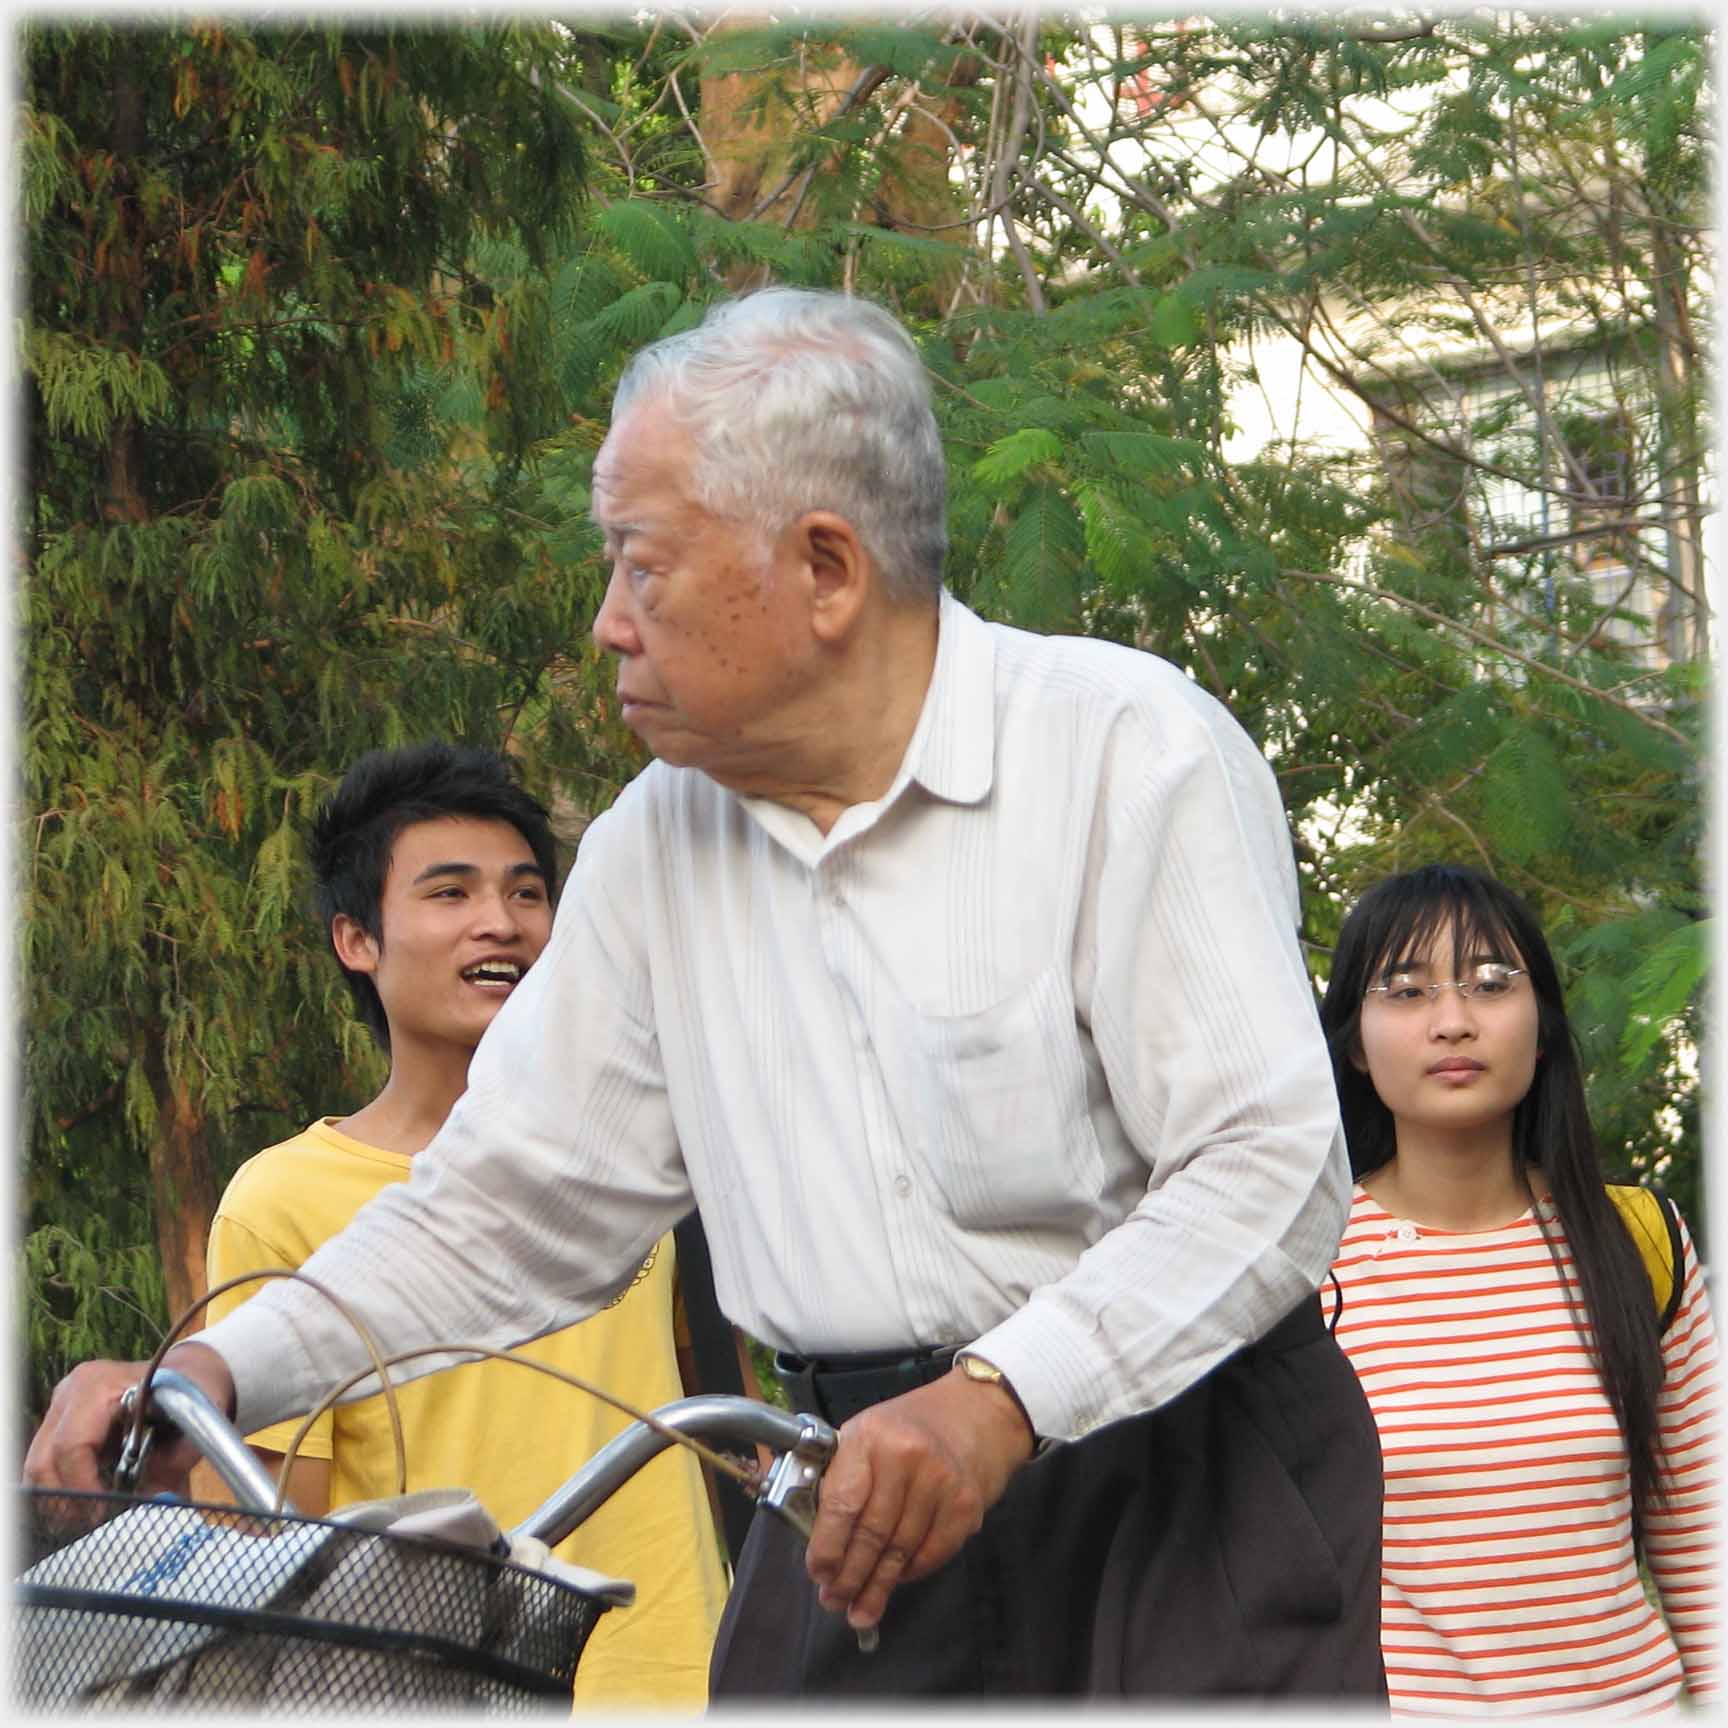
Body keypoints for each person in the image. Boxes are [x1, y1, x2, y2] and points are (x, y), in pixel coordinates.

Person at [28, 287, 1384, 1698]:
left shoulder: (1124, 753)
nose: (610, 624)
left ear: (826, 569)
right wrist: (228, 1372)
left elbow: (1268, 1171)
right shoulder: (651, 850)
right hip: (846, 1491)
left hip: (1180, 1474)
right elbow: (510, 1204)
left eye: (643, 568)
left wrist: (998, 1399)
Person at [198, 742, 728, 1710]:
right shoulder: (282, 1200)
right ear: (356, 939)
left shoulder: (638, 1157)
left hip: (683, 1675)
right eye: (450, 894)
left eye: (527, 894)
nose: (502, 923)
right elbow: (264, 1542)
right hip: (439, 1691)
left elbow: (710, 1405)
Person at [1319, 863, 1716, 1713]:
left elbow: (1704, 1546)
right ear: (1354, 1041)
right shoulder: (1296, 1267)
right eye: (1406, 990)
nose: (1454, 1022)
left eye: (1492, 984)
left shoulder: (1637, 1240)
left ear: (1542, 1030)